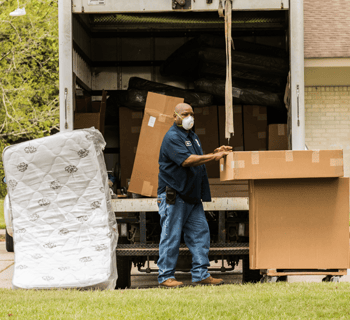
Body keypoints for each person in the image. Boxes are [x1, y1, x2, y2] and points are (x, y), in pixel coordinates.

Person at [157, 102, 231, 288]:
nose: (189, 117)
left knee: (201, 234)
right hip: (175, 195)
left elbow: (197, 157)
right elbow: (187, 161)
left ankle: (200, 274)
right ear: (175, 116)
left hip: (191, 196)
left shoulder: (192, 136)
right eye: (184, 114)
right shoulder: (172, 137)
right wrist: (213, 157)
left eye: (191, 114)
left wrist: (215, 153)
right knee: (171, 236)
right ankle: (165, 277)